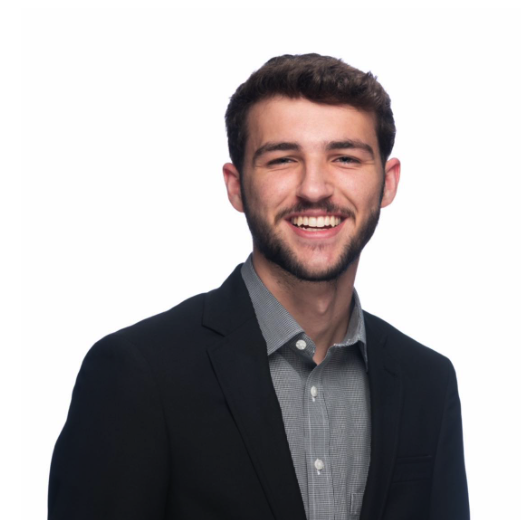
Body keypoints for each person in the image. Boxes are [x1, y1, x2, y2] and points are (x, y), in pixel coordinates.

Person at [48, 53, 470, 520]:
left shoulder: (427, 382)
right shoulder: (137, 375)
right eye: (283, 159)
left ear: (387, 183)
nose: (314, 188)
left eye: (345, 158)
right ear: (236, 186)